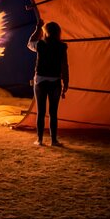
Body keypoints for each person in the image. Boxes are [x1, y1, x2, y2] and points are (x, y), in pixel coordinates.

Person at [27, 18, 69, 146]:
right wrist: (66, 83)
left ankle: (39, 140)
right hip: (55, 82)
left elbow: (30, 43)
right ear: (58, 32)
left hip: (40, 81)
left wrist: (38, 28)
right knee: (53, 113)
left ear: (46, 32)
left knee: (41, 112)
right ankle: (54, 140)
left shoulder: (40, 44)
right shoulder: (62, 46)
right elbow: (64, 66)